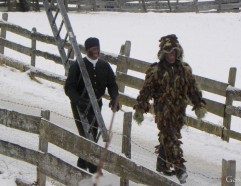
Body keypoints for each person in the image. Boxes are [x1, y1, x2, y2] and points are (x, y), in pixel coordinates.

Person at [133, 34, 207, 184]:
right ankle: (180, 169)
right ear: (163, 54)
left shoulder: (184, 70)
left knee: (169, 137)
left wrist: (198, 104)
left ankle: (162, 164)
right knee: (170, 137)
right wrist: (140, 108)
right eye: (168, 53)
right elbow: (146, 91)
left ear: (178, 53)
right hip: (163, 111)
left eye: (173, 52)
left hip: (179, 112)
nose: (171, 55)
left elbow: (192, 89)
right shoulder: (156, 71)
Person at [64, 37, 120, 173]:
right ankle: (94, 168)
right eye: (93, 49)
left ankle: (82, 165)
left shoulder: (104, 66)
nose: (96, 51)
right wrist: (77, 100)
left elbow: (112, 84)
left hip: (97, 103)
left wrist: (114, 98)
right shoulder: (78, 65)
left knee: (93, 133)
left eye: (97, 48)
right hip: (80, 105)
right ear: (87, 50)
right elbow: (69, 87)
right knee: (85, 134)